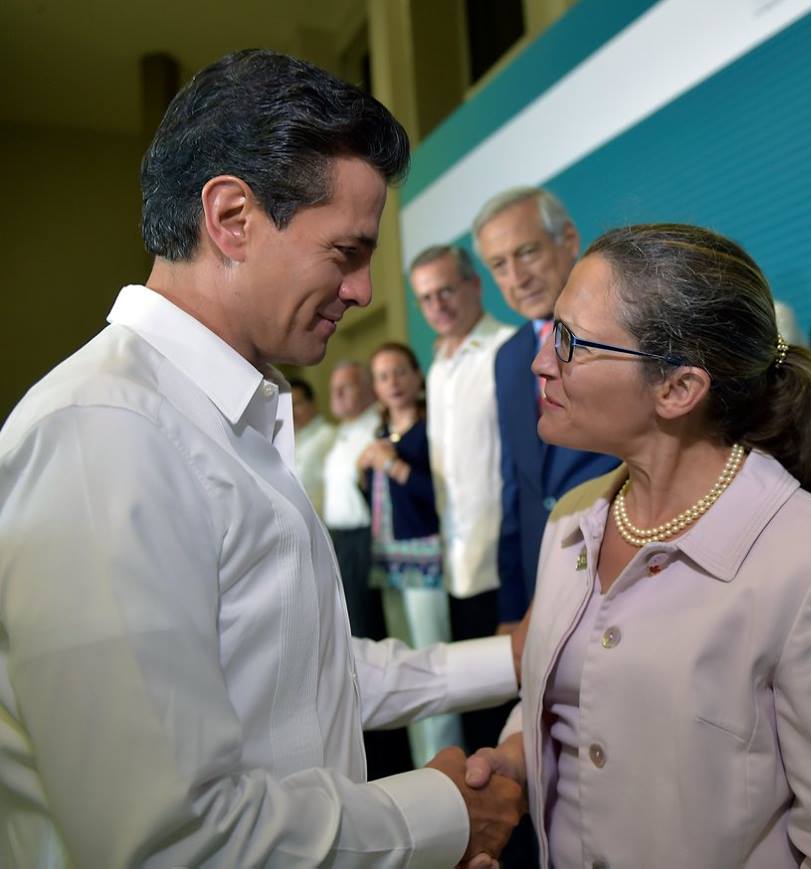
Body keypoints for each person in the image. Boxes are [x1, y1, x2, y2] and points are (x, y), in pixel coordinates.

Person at [0, 50, 525, 867]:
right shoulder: (103, 431)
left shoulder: (223, 416)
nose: (361, 290)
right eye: (346, 252)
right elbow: (174, 840)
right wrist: (445, 814)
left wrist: (511, 658)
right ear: (232, 217)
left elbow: (304, 673)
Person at [467, 223, 811, 867]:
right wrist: (518, 756)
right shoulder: (573, 519)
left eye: (569, 341)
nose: (542, 362)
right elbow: (571, 691)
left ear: (678, 389)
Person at [472, 187, 619, 626]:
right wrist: (513, 608)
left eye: (527, 252)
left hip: (622, 569)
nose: (516, 277)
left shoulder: (622, 330)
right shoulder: (508, 357)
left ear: (568, 240)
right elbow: (516, 486)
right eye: (499, 265)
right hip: (544, 586)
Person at [409, 244, 514, 753]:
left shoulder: (506, 351)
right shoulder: (437, 368)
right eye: (426, 298)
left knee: (509, 716)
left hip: (500, 560)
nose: (438, 305)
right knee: (474, 714)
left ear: (475, 284)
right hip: (453, 562)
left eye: (447, 290)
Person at [358, 342, 463, 769]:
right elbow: (381, 506)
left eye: (400, 371)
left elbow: (439, 496)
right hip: (389, 565)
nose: (394, 383)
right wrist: (363, 475)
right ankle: (423, 768)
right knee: (401, 673)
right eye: (383, 376)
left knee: (433, 670)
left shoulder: (431, 429)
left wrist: (393, 466)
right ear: (376, 388)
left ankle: (447, 766)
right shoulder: (381, 437)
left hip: (425, 564)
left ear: (418, 376)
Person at [322, 360, 384, 640]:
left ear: (369, 389)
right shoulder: (343, 432)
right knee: (351, 623)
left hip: (367, 539)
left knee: (367, 625)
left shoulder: (378, 426)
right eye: (333, 388)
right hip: (341, 540)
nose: (336, 394)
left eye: (346, 387)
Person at [290, 375, 335, 516]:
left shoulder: (328, 435)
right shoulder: (289, 440)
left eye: (297, 404)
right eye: (287, 406)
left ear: (313, 403)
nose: (291, 412)